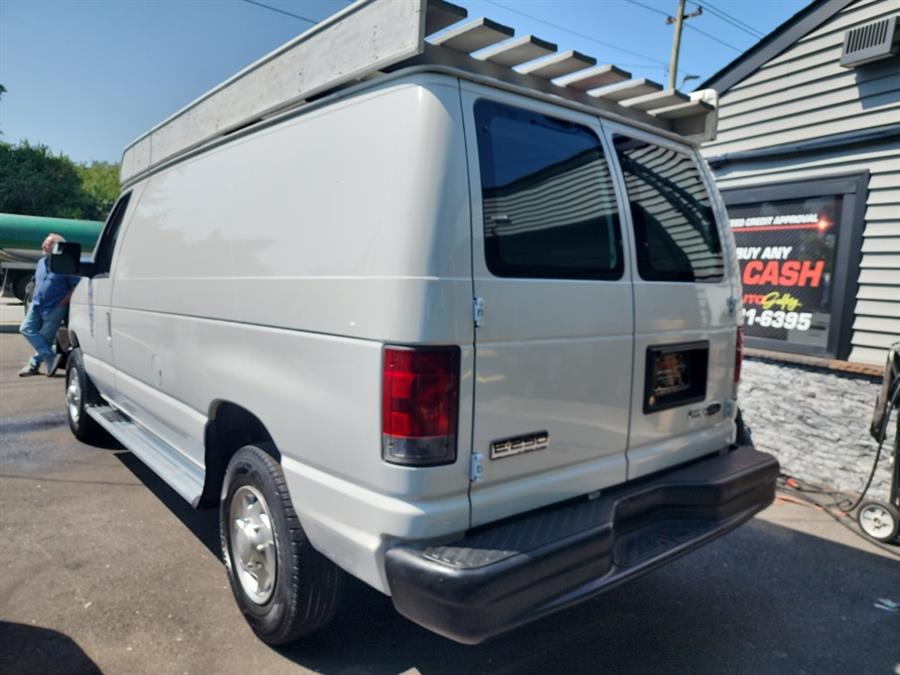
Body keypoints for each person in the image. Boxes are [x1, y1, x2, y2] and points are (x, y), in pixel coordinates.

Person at [18, 233, 80, 377]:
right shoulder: (41, 262)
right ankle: (51, 357)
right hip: (37, 305)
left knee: (44, 338)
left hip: (54, 308)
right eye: (44, 243)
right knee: (25, 329)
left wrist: (62, 303)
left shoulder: (66, 265)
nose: (44, 246)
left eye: (49, 243)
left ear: (58, 247)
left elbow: (75, 287)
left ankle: (33, 365)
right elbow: (36, 281)